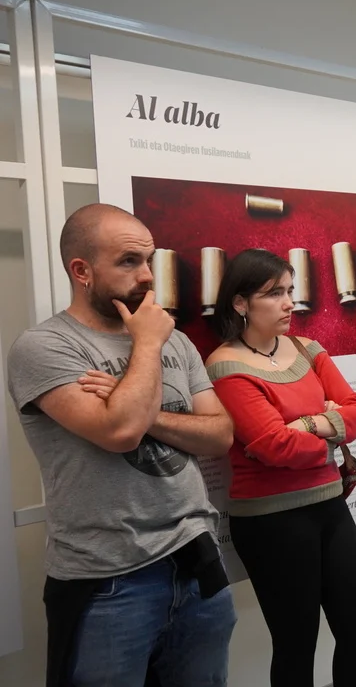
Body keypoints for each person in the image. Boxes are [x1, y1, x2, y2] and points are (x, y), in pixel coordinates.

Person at [5, 203, 236, 685]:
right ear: (81, 271)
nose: (147, 275)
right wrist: (146, 345)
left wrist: (138, 409)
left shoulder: (176, 342)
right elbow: (120, 433)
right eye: (129, 261)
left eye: (149, 260)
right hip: (108, 581)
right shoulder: (45, 346)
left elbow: (220, 435)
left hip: (196, 560)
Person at [205, 249, 356, 686]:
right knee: (297, 642)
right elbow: (274, 446)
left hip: (329, 505)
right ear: (240, 303)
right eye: (274, 294)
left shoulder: (307, 348)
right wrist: (329, 427)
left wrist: (307, 425)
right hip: (271, 519)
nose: (289, 304)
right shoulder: (226, 364)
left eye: (290, 291)